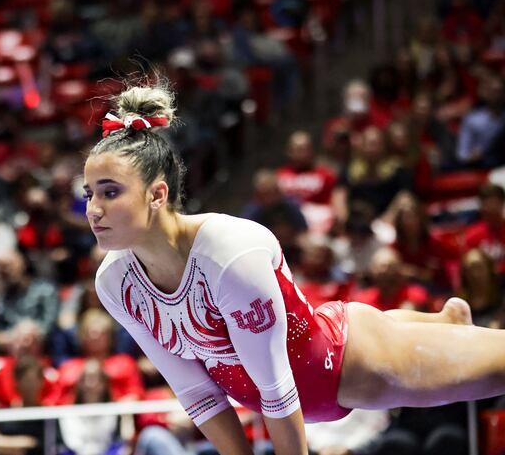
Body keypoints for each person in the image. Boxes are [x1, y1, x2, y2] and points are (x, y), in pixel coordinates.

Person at [86, 81, 505, 455]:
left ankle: (447, 324)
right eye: (89, 194)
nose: (94, 210)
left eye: (110, 192)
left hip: (353, 364)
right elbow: (196, 392)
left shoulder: (226, 254)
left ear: (157, 195)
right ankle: (445, 320)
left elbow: (276, 388)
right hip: (307, 383)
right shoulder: (115, 282)